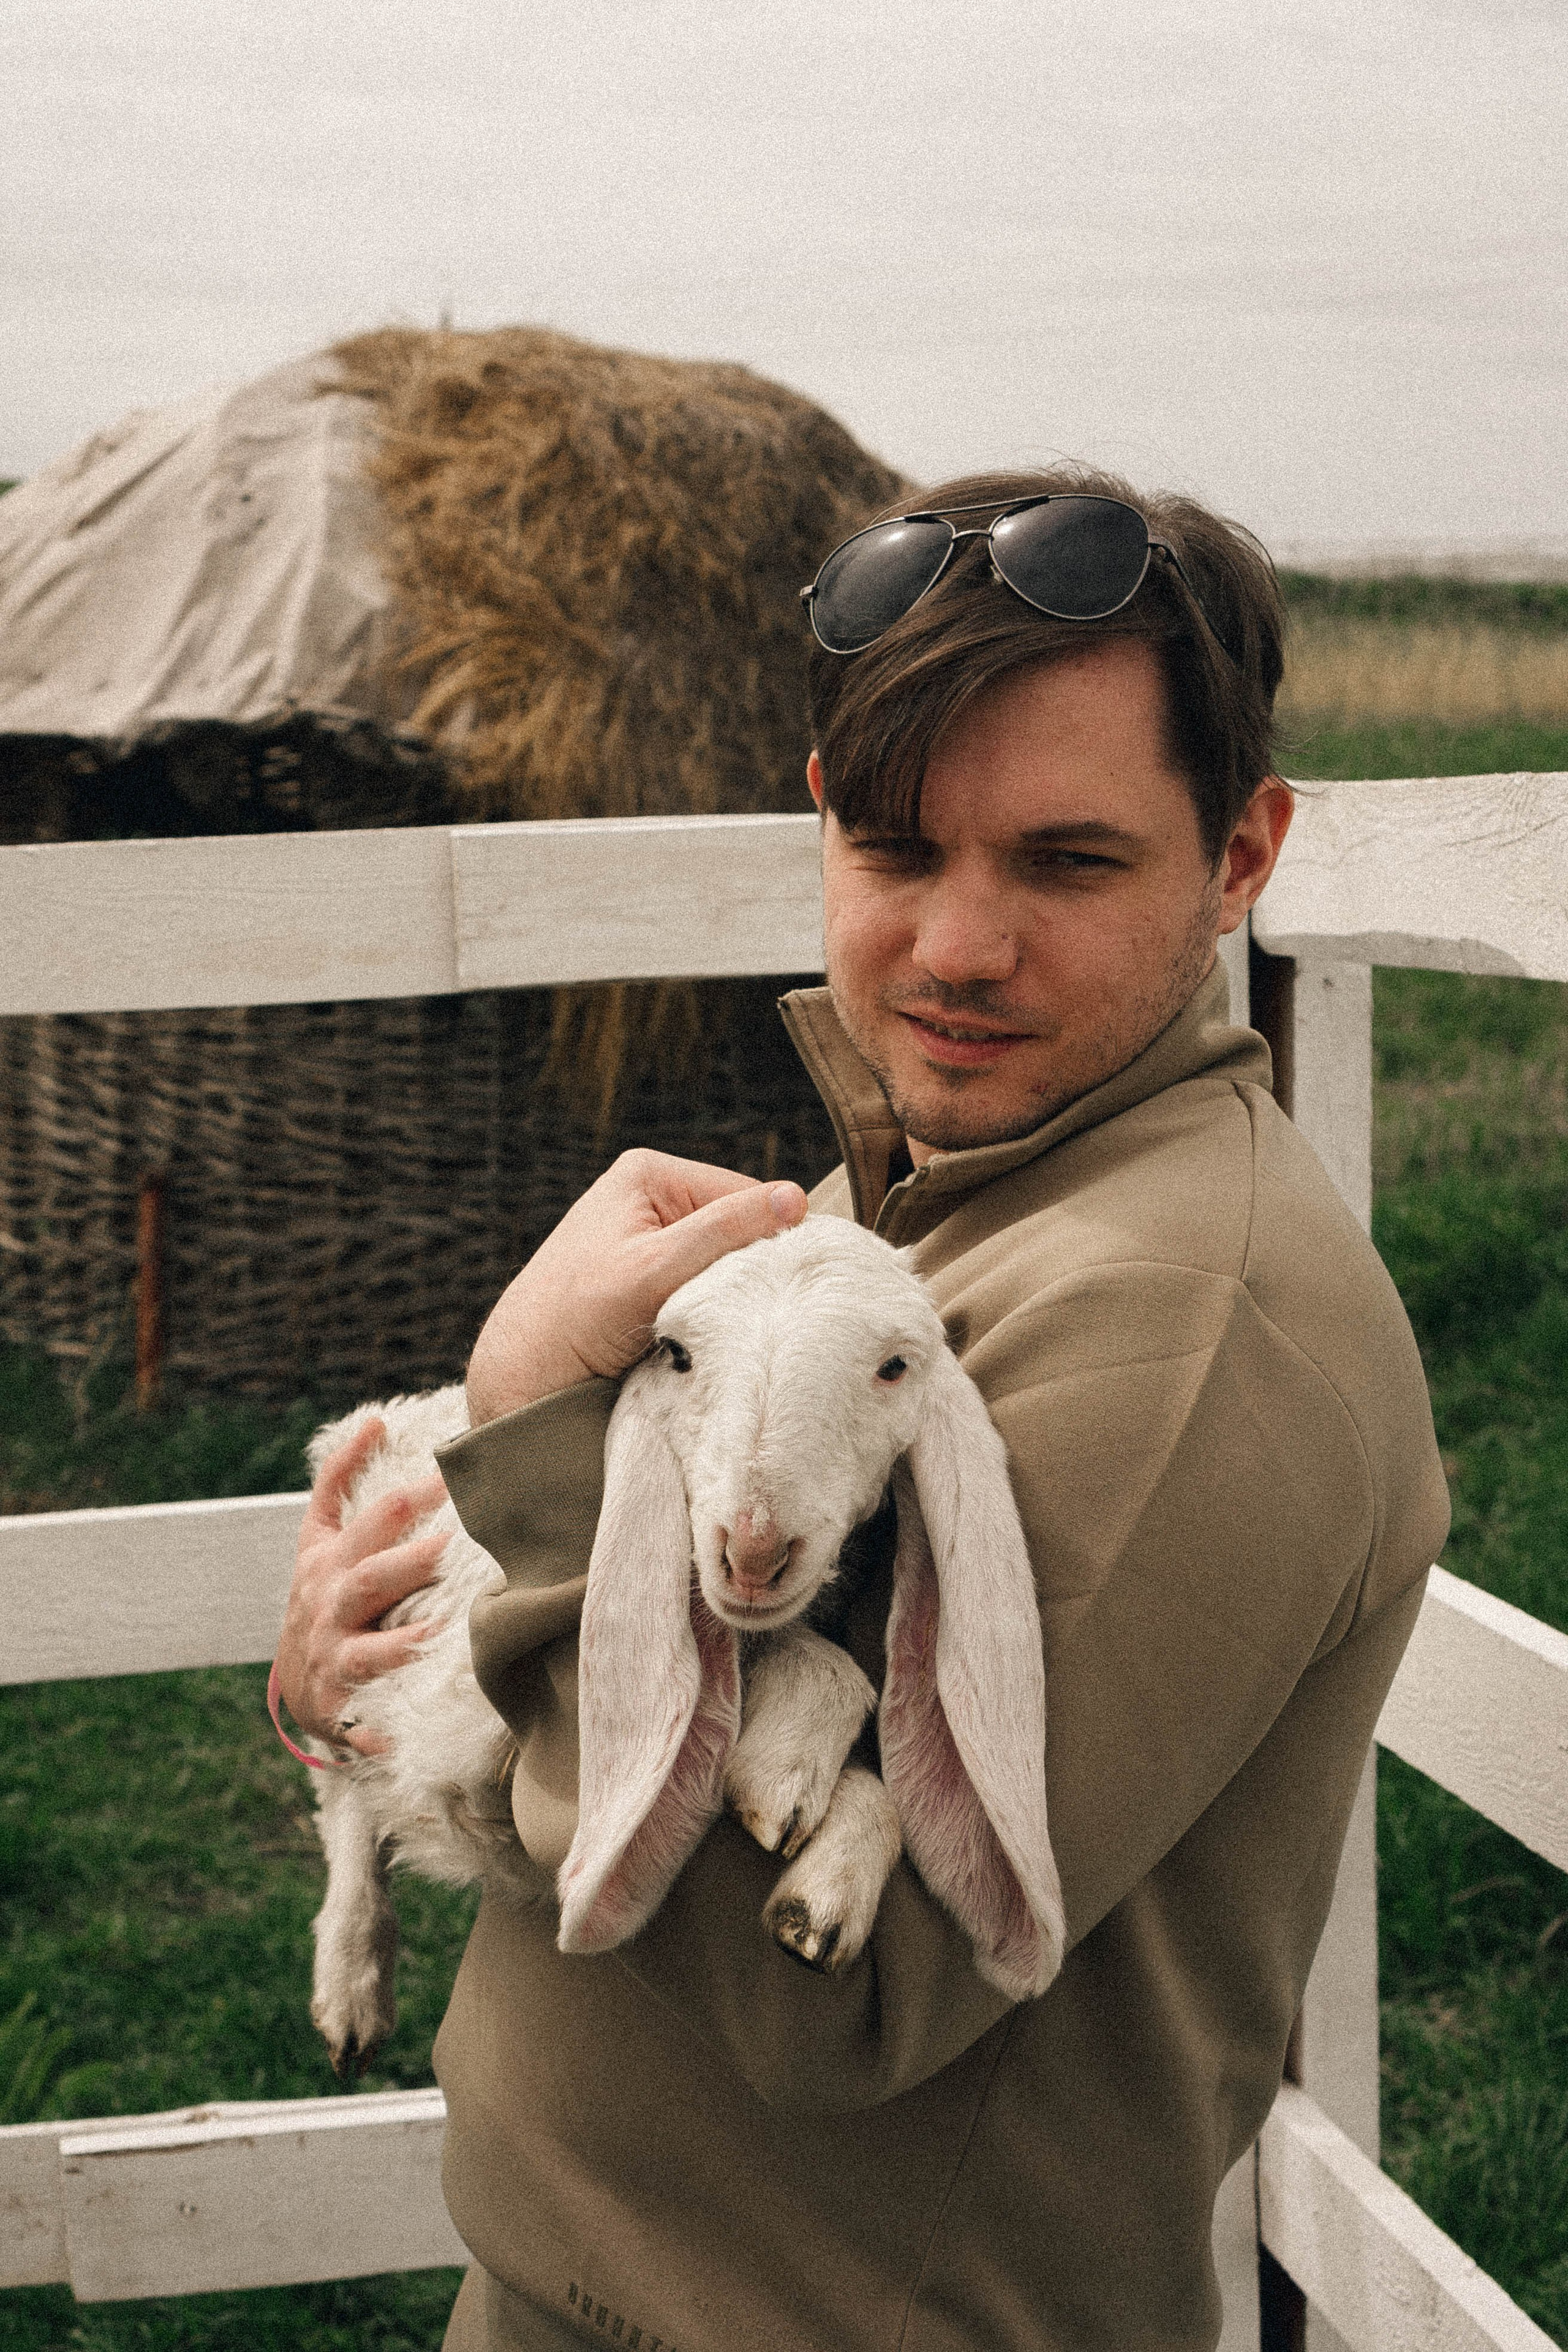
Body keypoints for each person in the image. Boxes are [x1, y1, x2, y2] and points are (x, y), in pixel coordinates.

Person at [276, 467, 1449, 2352]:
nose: (957, 949)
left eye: (1068, 862)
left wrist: (544, 1447)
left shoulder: (1186, 1318)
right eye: (899, 850)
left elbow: (834, 1999)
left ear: (1242, 857)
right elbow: (605, 1723)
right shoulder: (910, 1204)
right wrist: (413, 1654)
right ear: (822, 823)